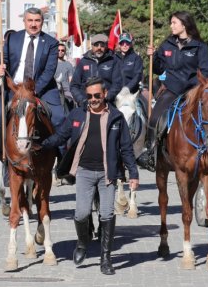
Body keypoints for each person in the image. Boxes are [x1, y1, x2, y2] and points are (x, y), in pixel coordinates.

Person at [42, 77, 139, 274]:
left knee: (107, 214)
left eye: (96, 95)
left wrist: (133, 174)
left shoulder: (116, 117)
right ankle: (82, 243)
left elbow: (126, 148)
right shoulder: (78, 114)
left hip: (107, 174)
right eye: (89, 96)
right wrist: (39, 144)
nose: (93, 99)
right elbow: (61, 135)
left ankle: (106, 258)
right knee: (82, 213)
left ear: (104, 94)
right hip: (84, 172)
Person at [0, 8, 64, 176]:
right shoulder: (12, 38)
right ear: (24, 21)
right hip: (14, 87)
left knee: (60, 118)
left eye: (37, 20)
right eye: (30, 20)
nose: (33, 24)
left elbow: (49, 70)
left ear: (42, 22)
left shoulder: (51, 43)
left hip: (42, 88)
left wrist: (33, 90)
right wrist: (0, 68)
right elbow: (5, 60)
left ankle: (63, 159)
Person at [136, 11, 208, 172]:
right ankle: (150, 152)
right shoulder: (167, 45)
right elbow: (158, 68)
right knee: (155, 117)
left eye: (174, 23)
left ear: (184, 25)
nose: (171, 26)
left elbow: (206, 71)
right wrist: (153, 57)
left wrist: (201, 88)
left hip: (193, 90)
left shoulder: (200, 46)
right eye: (171, 23)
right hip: (172, 89)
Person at [70, 33, 122, 106]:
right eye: (96, 45)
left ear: (106, 46)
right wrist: (82, 100)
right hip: (86, 103)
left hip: (107, 103)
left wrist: (107, 97)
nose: (99, 48)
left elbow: (117, 84)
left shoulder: (114, 61)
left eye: (102, 45)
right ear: (92, 46)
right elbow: (74, 85)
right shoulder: (83, 61)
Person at [54, 42, 75, 108]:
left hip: (66, 92)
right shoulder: (51, 65)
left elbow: (71, 80)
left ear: (65, 52)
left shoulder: (68, 65)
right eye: (58, 50)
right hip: (54, 91)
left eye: (62, 50)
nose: (60, 51)